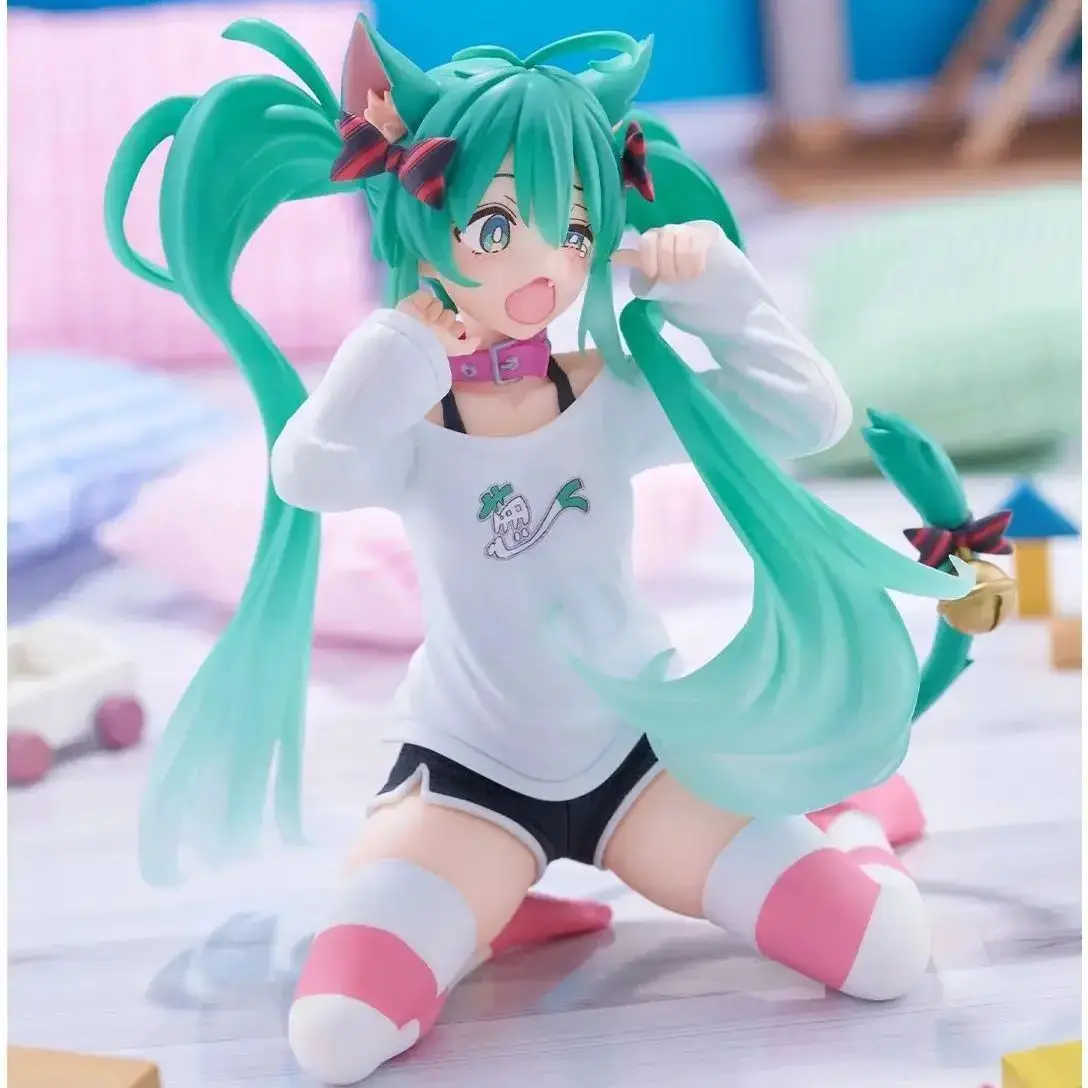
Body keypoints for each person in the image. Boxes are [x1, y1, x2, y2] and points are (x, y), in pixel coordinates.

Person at [105, 15, 973, 1085]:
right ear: (420, 212)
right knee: (334, 1036)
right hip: (466, 780)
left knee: (883, 953)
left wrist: (725, 293)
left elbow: (804, 420)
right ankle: (489, 905)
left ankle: (849, 826)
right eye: (494, 225)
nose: (544, 266)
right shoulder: (402, 415)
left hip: (648, 762)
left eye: (572, 226)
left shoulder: (613, 393)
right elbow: (306, 474)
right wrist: (392, 352)